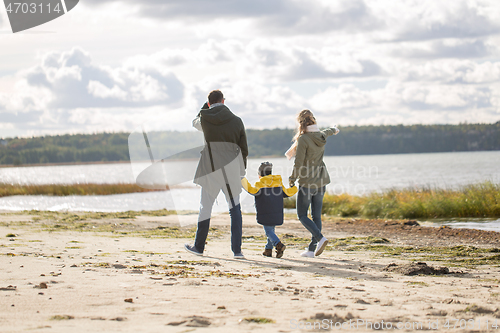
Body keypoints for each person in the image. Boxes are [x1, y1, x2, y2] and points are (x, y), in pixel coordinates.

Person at [185, 90, 248, 259]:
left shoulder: (205, 118)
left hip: (210, 169)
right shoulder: (237, 120)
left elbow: (194, 122)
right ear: (224, 101)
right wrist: (242, 171)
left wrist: (204, 108)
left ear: (209, 102)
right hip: (232, 170)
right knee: (235, 209)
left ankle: (199, 247)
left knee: (205, 208)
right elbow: (244, 149)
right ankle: (237, 251)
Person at [287, 110, 339, 258]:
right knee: (316, 216)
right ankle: (311, 249)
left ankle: (319, 238)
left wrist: (292, 179)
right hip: (321, 181)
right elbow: (328, 131)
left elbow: (299, 162)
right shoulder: (321, 135)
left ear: (301, 123)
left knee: (302, 215)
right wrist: (335, 129)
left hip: (307, 182)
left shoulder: (304, 139)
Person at [241, 162, 298, 258]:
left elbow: (251, 189)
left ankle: (279, 245)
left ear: (260, 175)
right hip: (276, 212)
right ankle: (268, 250)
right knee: (271, 230)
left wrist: (242, 179)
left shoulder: (260, 184)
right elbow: (287, 193)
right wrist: (294, 187)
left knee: (268, 231)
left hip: (265, 212)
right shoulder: (278, 183)